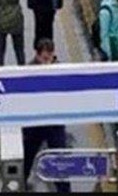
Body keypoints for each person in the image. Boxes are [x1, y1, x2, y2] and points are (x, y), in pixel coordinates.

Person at [22, 39, 70, 193]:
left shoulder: (59, 69)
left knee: (59, 160)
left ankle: (64, 189)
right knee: (27, 157)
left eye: (50, 57)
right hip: (35, 123)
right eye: (44, 58)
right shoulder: (29, 71)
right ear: (37, 55)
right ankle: (20, 182)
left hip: (54, 123)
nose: (47, 62)